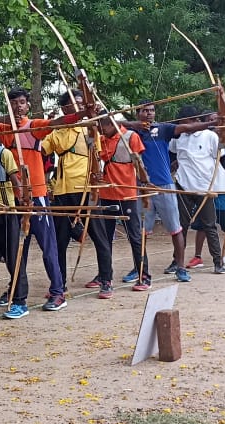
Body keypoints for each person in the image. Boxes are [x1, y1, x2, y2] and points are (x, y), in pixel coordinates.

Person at [0, 88, 82, 312]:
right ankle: (16, 289)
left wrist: (81, 114)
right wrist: (5, 119)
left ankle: (58, 292)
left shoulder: (33, 127)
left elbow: (59, 123)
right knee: (16, 250)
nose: (18, 106)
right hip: (13, 200)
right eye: (14, 103)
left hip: (35, 196)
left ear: (28, 106)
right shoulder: (4, 129)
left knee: (48, 246)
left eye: (23, 103)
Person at [122, 101, 191, 282]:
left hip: (164, 185)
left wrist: (210, 123)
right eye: (145, 110)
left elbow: (185, 127)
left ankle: (181, 267)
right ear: (138, 113)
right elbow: (108, 124)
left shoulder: (163, 129)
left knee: (175, 229)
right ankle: (140, 267)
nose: (149, 114)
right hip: (142, 186)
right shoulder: (130, 132)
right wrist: (133, 125)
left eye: (152, 110)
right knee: (141, 231)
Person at [84, 113, 150, 297]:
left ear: (112, 123)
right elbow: (95, 164)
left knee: (135, 237)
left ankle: (144, 275)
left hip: (127, 194)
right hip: (106, 195)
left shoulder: (131, 137)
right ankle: (105, 278)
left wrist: (144, 187)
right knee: (105, 239)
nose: (101, 130)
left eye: (103, 126)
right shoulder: (101, 139)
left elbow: (140, 166)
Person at [41, 90, 92, 289]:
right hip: (62, 189)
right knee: (60, 240)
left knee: (97, 234)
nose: (79, 107)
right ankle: (59, 282)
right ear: (64, 108)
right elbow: (41, 150)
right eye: (74, 104)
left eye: (81, 103)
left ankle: (106, 278)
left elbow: (97, 155)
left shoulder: (88, 128)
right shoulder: (56, 132)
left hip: (84, 186)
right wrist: (44, 127)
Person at [170, 105, 225, 274]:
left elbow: (222, 158)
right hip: (183, 186)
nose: (183, 126)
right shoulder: (177, 137)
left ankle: (218, 262)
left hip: (204, 187)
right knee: (181, 226)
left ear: (195, 120)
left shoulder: (209, 136)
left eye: (185, 122)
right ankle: (177, 262)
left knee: (209, 225)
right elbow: (173, 156)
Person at [0, 139, 30, 318]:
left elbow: (16, 180)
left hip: (5, 213)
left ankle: (19, 301)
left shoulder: (3, 153)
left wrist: (23, 200)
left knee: (13, 258)